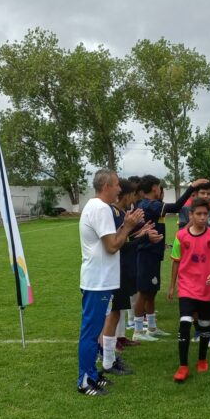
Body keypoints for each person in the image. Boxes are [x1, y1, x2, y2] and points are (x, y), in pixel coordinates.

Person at [77, 169, 145, 396]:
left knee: (94, 329)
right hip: (97, 281)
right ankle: (85, 380)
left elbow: (109, 239)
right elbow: (112, 245)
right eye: (116, 185)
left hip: (100, 280)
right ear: (106, 186)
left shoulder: (98, 208)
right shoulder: (100, 208)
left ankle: (94, 374)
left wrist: (126, 226)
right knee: (90, 331)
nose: (119, 189)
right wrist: (128, 226)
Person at [131, 174, 209, 341]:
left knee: (151, 292)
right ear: (154, 188)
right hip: (146, 254)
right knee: (144, 293)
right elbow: (176, 206)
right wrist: (192, 187)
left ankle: (151, 327)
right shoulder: (149, 204)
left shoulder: (151, 204)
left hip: (153, 254)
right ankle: (138, 331)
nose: (160, 190)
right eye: (159, 187)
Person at [98, 178, 161, 378]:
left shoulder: (119, 213)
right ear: (127, 195)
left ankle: (109, 357)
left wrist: (141, 234)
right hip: (114, 270)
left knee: (115, 313)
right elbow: (117, 244)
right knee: (111, 314)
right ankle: (106, 358)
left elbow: (124, 241)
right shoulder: (112, 213)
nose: (137, 198)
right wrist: (138, 233)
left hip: (122, 270)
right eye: (134, 194)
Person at [168, 197, 210, 382]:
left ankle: (202, 359)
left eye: (205, 214)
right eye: (198, 214)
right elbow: (176, 262)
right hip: (186, 286)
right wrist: (172, 285)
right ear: (191, 215)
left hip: (207, 287)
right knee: (185, 322)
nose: (202, 217)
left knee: (204, 325)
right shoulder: (180, 236)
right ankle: (183, 366)